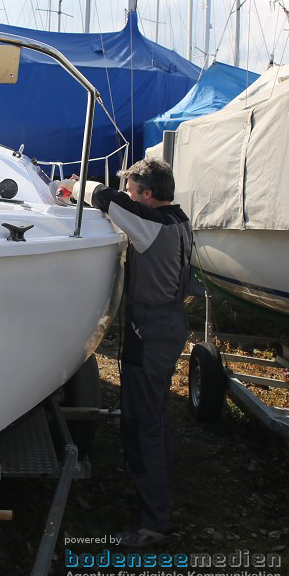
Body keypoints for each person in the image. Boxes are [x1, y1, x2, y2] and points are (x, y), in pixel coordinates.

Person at [67, 157, 193, 548]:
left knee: (142, 424)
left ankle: (154, 522)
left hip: (150, 332)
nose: (128, 195)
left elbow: (106, 198)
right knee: (151, 415)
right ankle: (152, 497)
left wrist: (74, 187)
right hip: (168, 323)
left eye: (133, 190)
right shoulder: (179, 219)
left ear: (148, 194)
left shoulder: (151, 223)